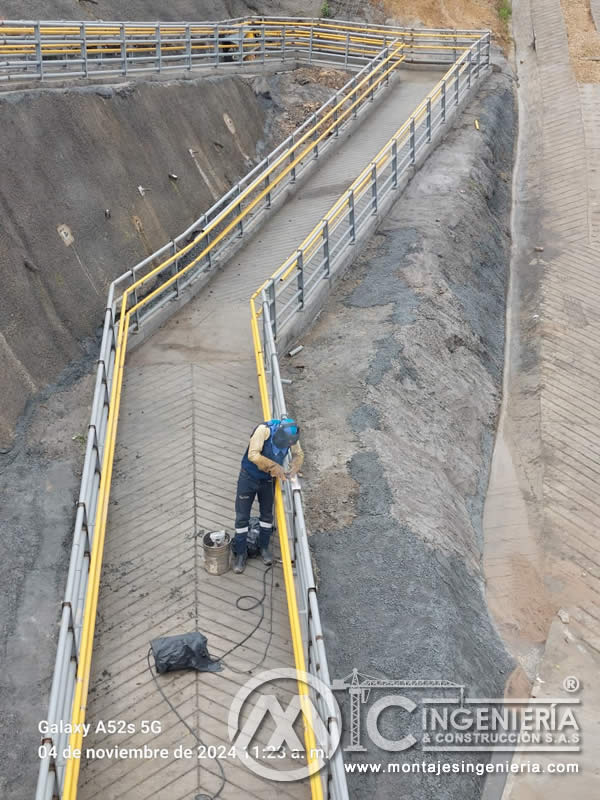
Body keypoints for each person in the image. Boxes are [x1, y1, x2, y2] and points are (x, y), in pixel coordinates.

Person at [232, 417, 303, 574]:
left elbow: (298, 453)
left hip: (267, 481)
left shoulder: (291, 437)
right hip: (248, 478)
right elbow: (253, 455)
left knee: (267, 516)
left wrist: (296, 464)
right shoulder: (263, 431)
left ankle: (264, 547)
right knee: (242, 517)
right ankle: (241, 553)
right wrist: (274, 466)